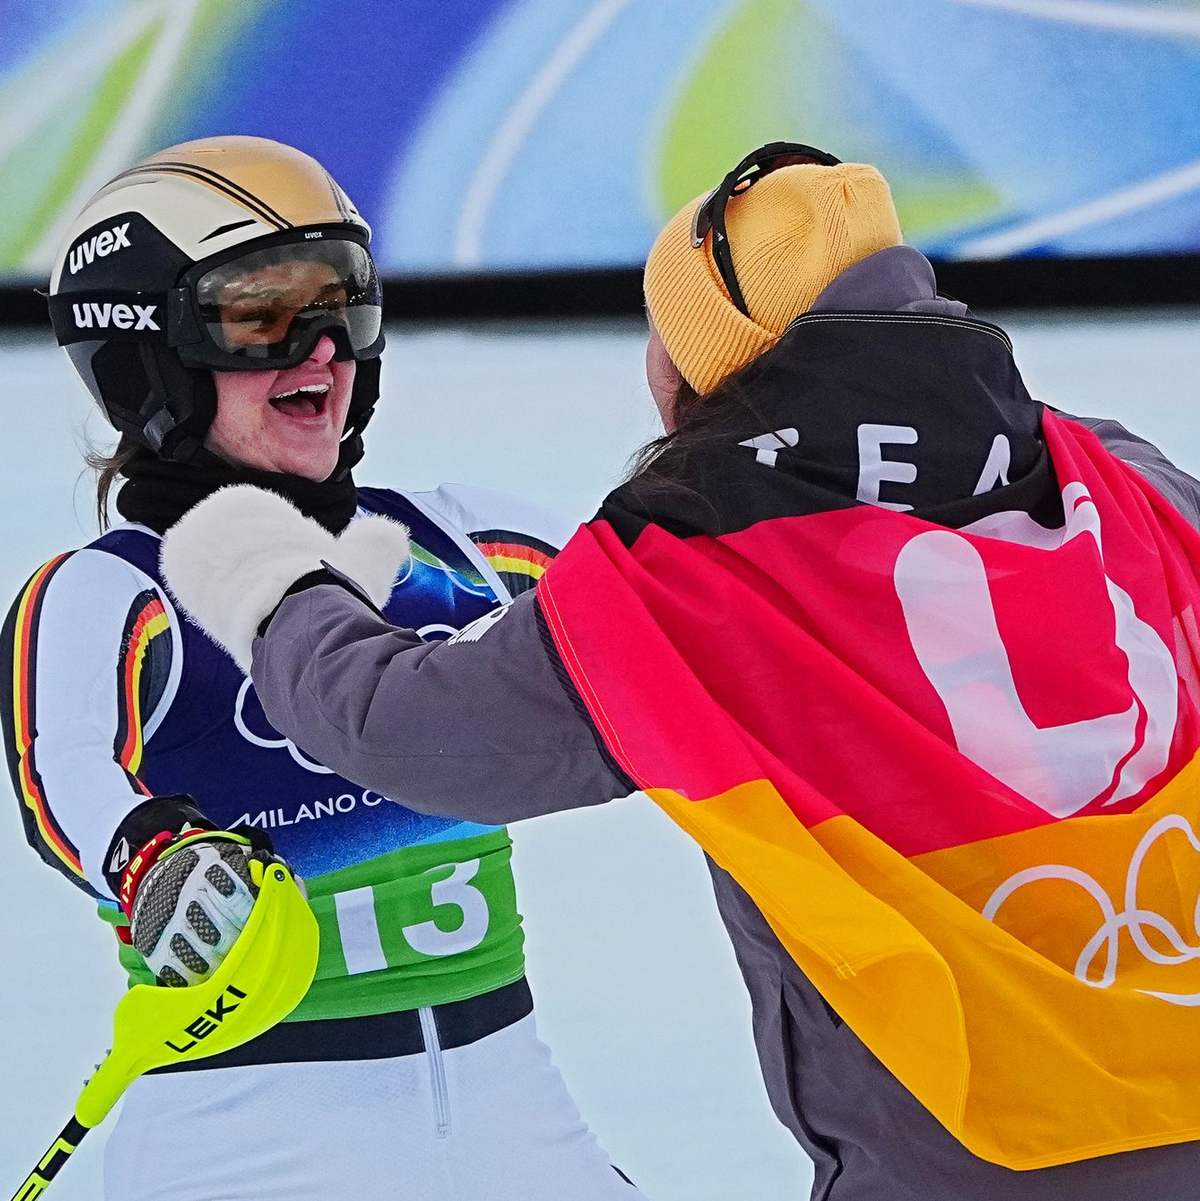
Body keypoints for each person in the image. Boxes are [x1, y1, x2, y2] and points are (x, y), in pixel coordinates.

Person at [163, 143, 1200, 1199]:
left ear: (693, 365)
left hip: (976, 1154)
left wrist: (274, 573)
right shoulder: (1121, 476)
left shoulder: (696, 567)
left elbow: (404, 728)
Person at [1, 135, 645, 1200]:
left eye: (343, 305)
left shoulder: (463, 538)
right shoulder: (115, 591)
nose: (323, 353)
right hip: (246, 1130)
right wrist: (148, 856)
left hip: (510, 1110)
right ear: (147, 354)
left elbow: (685, 619)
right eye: (261, 316)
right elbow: (60, 770)